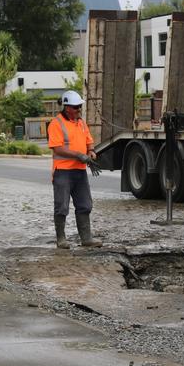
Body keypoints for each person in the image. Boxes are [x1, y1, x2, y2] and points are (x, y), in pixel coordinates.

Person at [48, 90, 102, 249]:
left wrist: (91, 151)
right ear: (67, 108)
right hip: (63, 172)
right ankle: (61, 239)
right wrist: (79, 155)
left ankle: (86, 238)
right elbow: (57, 149)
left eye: (80, 107)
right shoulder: (56, 124)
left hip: (79, 171)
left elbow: (89, 141)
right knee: (61, 206)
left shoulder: (81, 122)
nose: (79, 110)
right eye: (76, 107)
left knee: (85, 204)